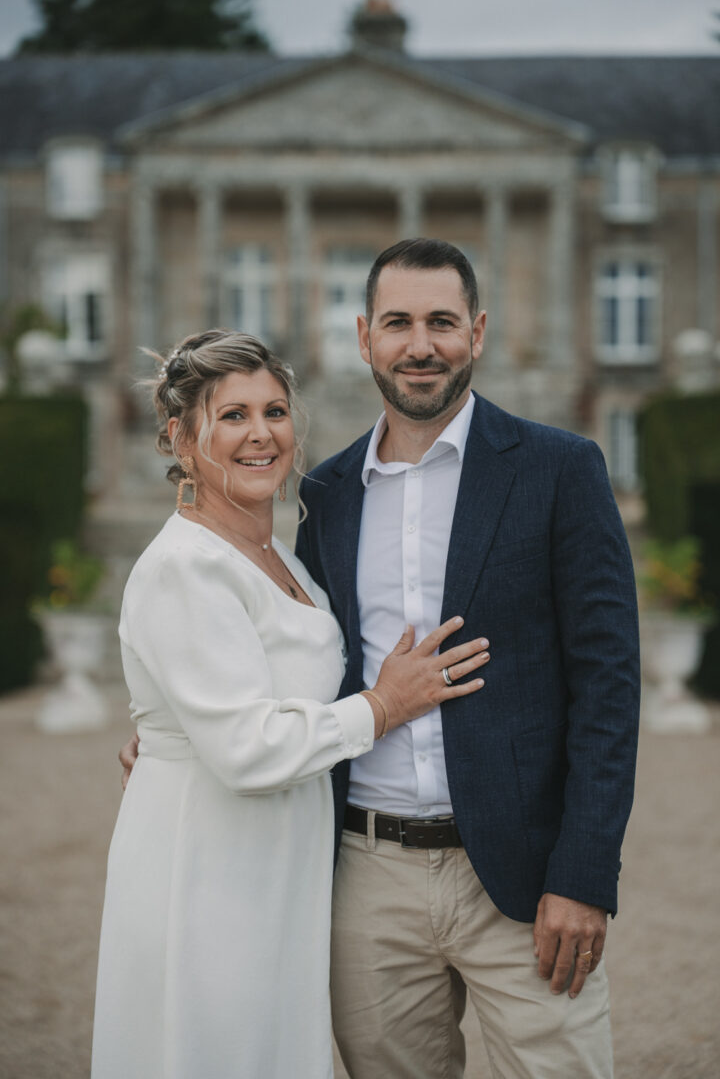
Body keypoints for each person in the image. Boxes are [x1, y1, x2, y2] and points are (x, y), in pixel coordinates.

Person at [93, 328, 490, 1079]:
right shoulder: (185, 566)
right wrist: (383, 706)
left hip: (283, 860)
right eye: (231, 415)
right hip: (209, 860)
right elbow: (245, 747)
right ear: (181, 436)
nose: (260, 434)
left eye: (273, 411)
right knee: (214, 1044)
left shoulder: (285, 558)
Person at [293, 239, 640, 1078]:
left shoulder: (561, 469)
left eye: (442, 322)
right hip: (365, 876)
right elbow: (292, 660)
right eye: (399, 323)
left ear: (477, 333)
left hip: (523, 881)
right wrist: (171, 743)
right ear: (364, 337)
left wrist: (584, 874)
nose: (422, 344)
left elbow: (608, 683)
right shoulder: (325, 495)